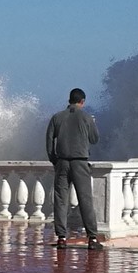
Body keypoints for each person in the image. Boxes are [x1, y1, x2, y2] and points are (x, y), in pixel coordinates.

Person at [45, 87, 104, 249]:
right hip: (80, 162)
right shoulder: (86, 117)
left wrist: (54, 160)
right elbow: (94, 139)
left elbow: (49, 142)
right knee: (85, 200)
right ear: (82, 102)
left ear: (69, 100)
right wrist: (92, 123)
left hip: (62, 162)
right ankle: (92, 238)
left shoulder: (57, 117)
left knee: (61, 200)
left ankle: (61, 238)